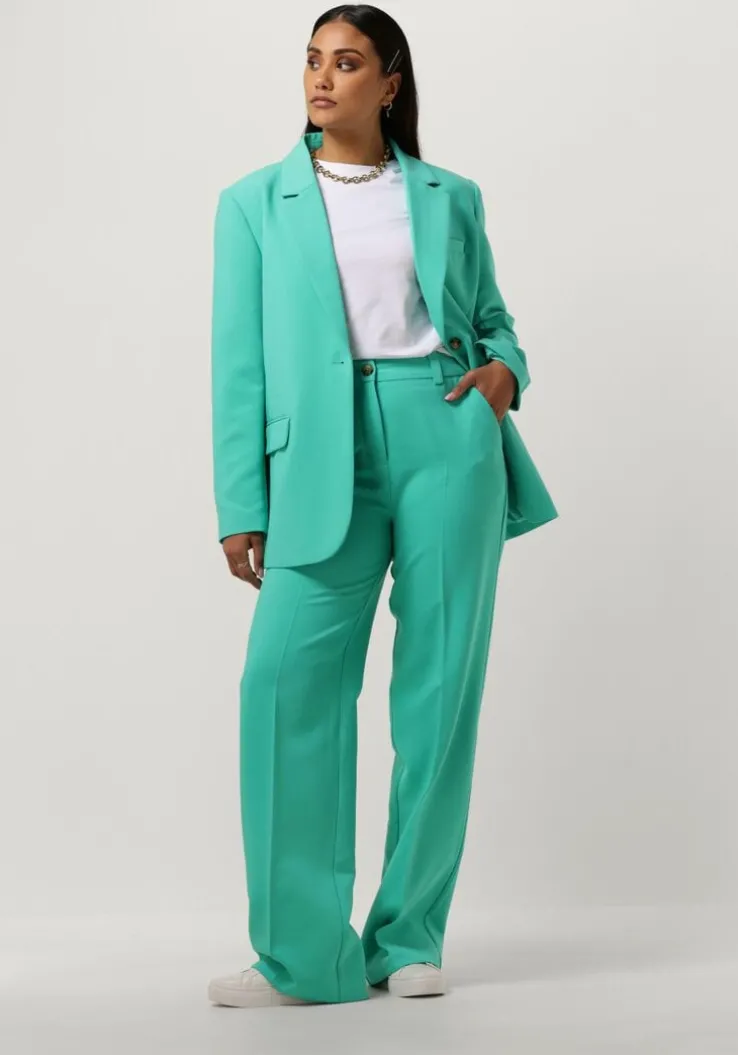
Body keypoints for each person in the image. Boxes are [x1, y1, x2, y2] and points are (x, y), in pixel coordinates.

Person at [207, 3, 557, 1011]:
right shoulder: (252, 202)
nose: (322, 78)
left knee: (439, 692)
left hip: (445, 432)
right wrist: (241, 498)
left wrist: (505, 371)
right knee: (283, 686)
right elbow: (237, 361)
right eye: (313, 59)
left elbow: (490, 317)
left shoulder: (450, 194)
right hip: (316, 456)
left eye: (348, 61)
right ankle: (299, 953)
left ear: (390, 83)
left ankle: (407, 934)